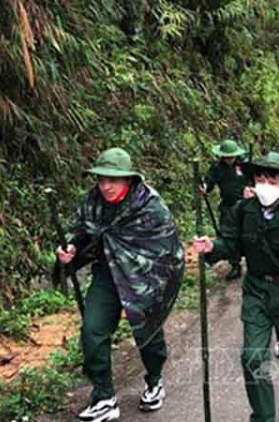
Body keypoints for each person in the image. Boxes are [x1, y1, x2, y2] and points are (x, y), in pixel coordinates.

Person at [56, 148, 184, 421]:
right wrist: (71, 250)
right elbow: (83, 233)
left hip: (144, 276)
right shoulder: (93, 201)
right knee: (92, 329)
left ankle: (155, 380)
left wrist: (152, 286)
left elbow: (167, 249)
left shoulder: (149, 205)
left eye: (112, 180)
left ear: (128, 179)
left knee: (147, 329)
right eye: (101, 179)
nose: (106, 186)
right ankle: (104, 396)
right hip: (108, 274)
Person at [193, 152, 279, 422]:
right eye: (259, 179)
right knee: (252, 357)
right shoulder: (243, 212)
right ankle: (263, 417)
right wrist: (213, 246)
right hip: (257, 291)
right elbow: (232, 244)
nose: (263, 185)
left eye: (271, 180)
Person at [202, 139, 249, 280]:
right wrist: (205, 187)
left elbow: (254, 180)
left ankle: (254, 262)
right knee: (228, 236)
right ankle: (234, 264)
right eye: (226, 157)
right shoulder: (217, 167)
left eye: (231, 157)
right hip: (228, 206)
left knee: (248, 234)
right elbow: (209, 181)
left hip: (245, 205)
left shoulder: (244, 165)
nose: (229, 160)